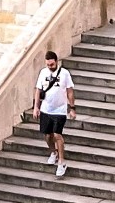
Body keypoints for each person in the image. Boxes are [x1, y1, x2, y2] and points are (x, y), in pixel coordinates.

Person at [33, 49, 75, 177]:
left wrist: (72, 108)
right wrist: (36, 107)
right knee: (47, 136)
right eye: (48, 65)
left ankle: (61, 162)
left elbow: (70, 91)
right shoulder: (43, 73)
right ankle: (54, 152)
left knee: (57, 135)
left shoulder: (64, 73)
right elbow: (38, 90)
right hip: (46, 108)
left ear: (56, 62)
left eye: (52, 64)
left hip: (60, 110)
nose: (50, 67)